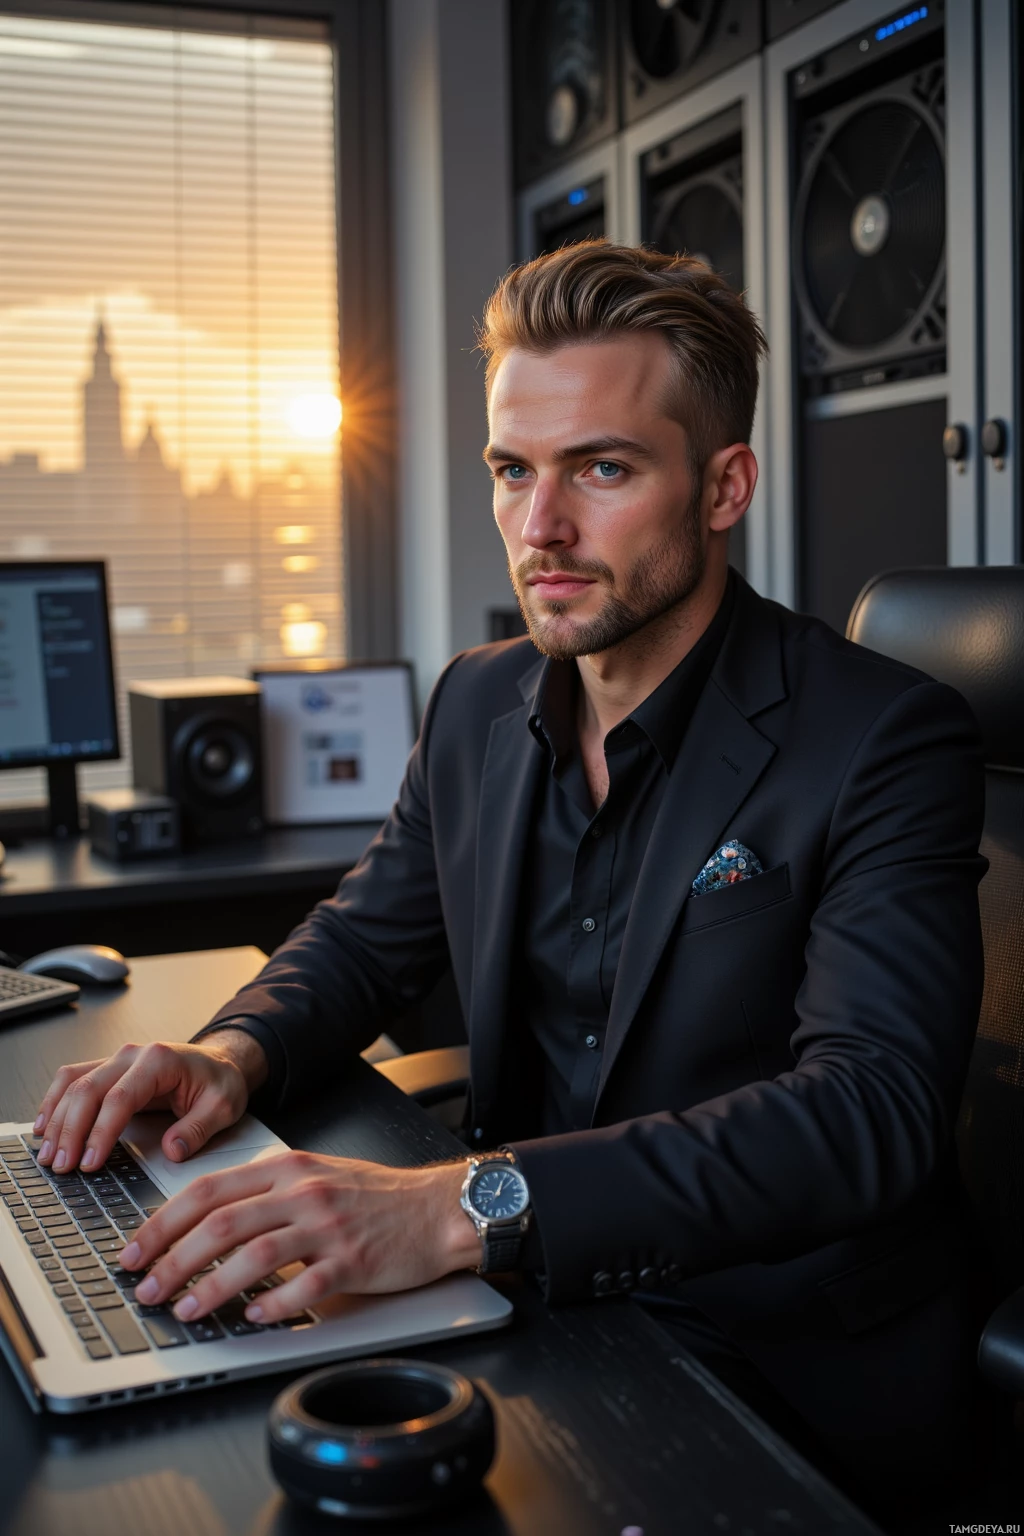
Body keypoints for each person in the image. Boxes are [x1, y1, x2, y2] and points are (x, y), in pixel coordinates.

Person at [35, 242, 986, 1512]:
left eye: (601, 468)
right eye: (510, 471)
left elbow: (870, 1110)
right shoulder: (480, 699)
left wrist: (455, 1208)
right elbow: (367, 938)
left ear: (722, 486)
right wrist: (234, 1054)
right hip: (533, 1309)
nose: (539, 527)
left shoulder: (881, 735)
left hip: (777, 1357)